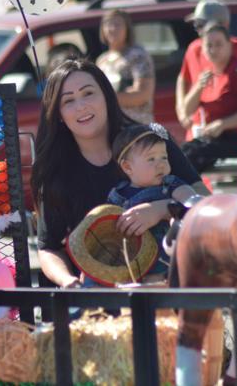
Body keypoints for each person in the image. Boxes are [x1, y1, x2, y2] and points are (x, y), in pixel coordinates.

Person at [31, 59, 206, 288]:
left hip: (168, 283)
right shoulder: (55, 172)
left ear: (107, 96)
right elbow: (48, 248)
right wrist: (69, 282)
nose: (81, 106)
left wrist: (162, 210)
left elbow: (205, 205)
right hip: (97, 298)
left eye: (88, 93)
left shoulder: (152, 141)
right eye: (69, 101)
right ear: (59, 114)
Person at [107, 123, 198, 277]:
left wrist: (166, 209)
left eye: (164, 157)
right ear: (128, 167)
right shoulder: (118, 195)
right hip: (131, 266)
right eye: (151, 159)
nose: (161, 163)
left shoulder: (170, 185)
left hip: (167, 264)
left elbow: (193, 202)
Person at [176, 0, 237, 140]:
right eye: (196, 25)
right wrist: (181, 111)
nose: (198, 30)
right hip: (201, 133)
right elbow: (182, 79)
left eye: (201, 25)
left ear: (224, 26)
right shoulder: (195, 48)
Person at [177, 23, 237, 172]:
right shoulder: (207, 73)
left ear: (229, 46)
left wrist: (223, 124)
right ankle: (189, 193)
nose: (213, 50)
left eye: (218, 44)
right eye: (208, 46)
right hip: (214, 139)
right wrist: (198, 87)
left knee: (193, 155)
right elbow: (187, 111)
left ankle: (188, 193)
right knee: (181, 152)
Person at [95, 9, 155, 124]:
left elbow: (143, 95)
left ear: (127, 28)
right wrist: (125, 94)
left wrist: (106, 97)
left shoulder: (138, 56)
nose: (112, 29)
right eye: (108, 24)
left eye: (117, 24)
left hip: (136, 125)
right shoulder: (101, 61)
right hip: (111, 126)